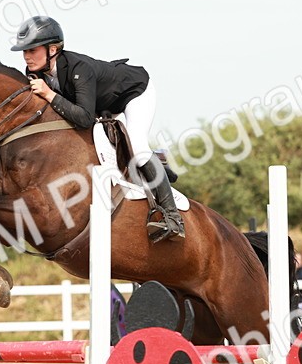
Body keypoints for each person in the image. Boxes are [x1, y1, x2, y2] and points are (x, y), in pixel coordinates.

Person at [10, 16, 184, 242]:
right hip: (101, 104)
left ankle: (173, 218)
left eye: (32, 50)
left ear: (53, 49)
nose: (26, 56)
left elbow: (83, 118)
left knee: (138, 147)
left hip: (133, 93)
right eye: (24, 51)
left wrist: (49, 94)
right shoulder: (36, 72)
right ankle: (157, 166)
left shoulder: (79, 68)